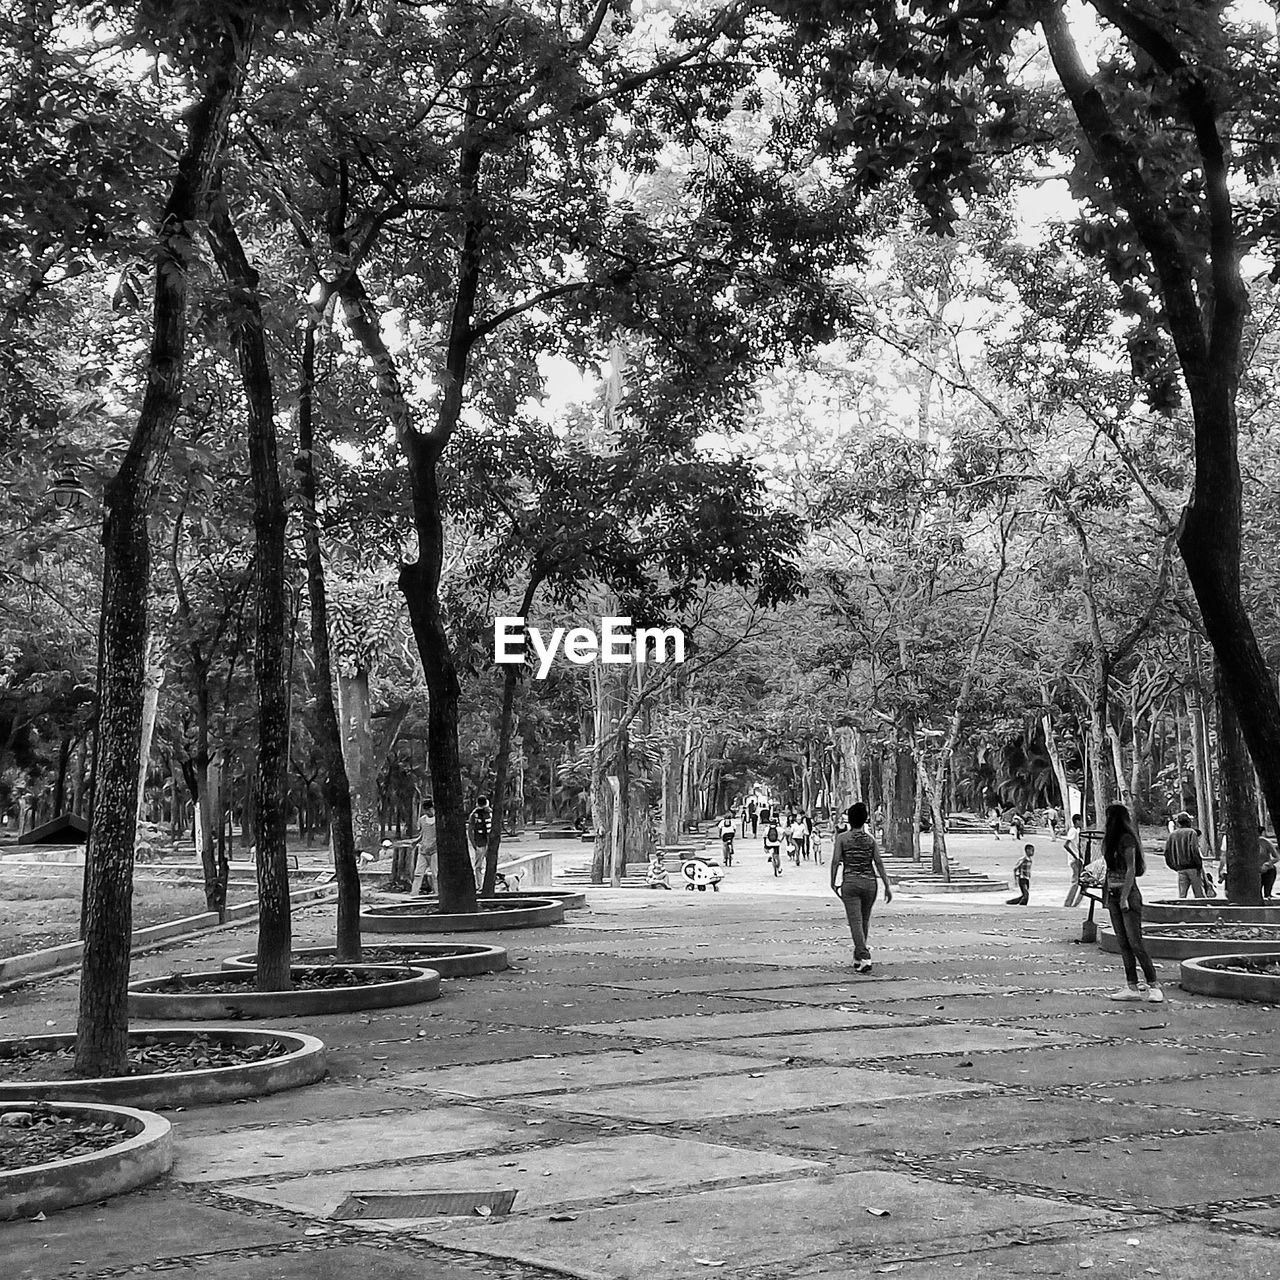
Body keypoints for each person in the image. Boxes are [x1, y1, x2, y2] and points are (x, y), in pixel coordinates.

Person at [1101, 802, 1163, 1003]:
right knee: (1123, 942)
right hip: (1112, 893)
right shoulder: (1109, 842)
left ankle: (1153, 985)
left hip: (1128, 894)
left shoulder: (1127, 839)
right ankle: (1131, 986)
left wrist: (1125, 897)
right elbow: (1108, 871)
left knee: (1136, 942)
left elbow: (1131, 869)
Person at [831, 802, 893, 972]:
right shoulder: (871, 840)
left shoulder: (842, 839)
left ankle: (864, 955)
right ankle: (858, 956)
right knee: (864, 920)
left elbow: (836, 861)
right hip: (870, 883)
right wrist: (887, 885)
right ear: (865, 819)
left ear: (849, 820)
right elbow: (878, 863)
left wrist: (832, 881)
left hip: (850, 882)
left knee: (855, 921)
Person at [1163, 811, 1205, 899]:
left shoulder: (1172, 835)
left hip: (1180, 868)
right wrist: (1199, 865)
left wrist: (1173, 866)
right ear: (1189, 822)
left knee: (1182, 895)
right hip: (1193, 867)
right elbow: (1194, 850)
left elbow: (1167, 852)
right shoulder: (1191, 832)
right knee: (1199, 894)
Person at [410, 798, 437, 895]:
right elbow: (422, 834)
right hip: (423, 850)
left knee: (435, 874)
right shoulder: (422, 820)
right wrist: (416, 841)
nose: (428, 812)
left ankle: (437, 893)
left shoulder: (437, 820)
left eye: (430, 809)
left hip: (434, 851)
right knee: (418, 873)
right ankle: (414, 893)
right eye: (426, 810)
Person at [468, 795, 493, 888]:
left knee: (480, 865)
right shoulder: (489, 813)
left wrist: (473, 843)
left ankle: (481, 885)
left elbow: (470, 831)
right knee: (482, 865)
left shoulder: (474, 815)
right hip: (484, 843)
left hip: (481, 843)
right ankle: (482, 885)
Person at [1063, 813, 1084, 907]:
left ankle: (1075, 903)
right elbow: (1066, 845)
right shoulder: (1073, 831)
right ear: (1077, 821)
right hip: (1074, 860)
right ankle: (1069, 903)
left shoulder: (1076, 832)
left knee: (1081, 881)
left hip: (1077, 859)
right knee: (1075, 882)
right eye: (1081, 821)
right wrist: (1075, 857)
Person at [1261, 825, 1278, 899]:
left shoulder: (1266, 842)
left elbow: (1276, 857)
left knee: (1267, 894)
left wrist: (1268, 863)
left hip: (1267, 869)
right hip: (1255, 871)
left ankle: (1268, 894)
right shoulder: (1248, 843)